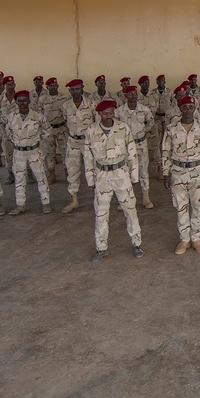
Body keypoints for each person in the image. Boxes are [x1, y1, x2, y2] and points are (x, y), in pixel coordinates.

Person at [83, 100, 143, 261]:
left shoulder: (123, 128)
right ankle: (101, 248)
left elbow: (132, 153)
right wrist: (90, 178)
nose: (108, 116)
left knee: (130, 209)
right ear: (99, 114)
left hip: (121, 174)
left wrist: (134, 175)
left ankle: (136, 244)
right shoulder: (91, 130)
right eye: (105, 114)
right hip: (102, 175)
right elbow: (88, 156)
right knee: (101, 213)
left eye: (111, 113)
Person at [162, 95, 200, 255]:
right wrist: (165, 173)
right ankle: (184, 239)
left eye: (191, 107)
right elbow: (166, 152)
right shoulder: (171, 129)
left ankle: (196, 238)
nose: (188, 110)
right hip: (178, 173)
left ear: (195, 109)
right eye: (184, 107)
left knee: (198, 206)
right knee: (181, 207)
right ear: (180, 108)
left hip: (198, 173)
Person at [6, 90, 51, 215]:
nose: (22, 103)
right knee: (19, 179)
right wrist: (19, 143)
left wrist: (35, 141)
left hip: (34, 151)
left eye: (24, 100)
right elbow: (9, 133)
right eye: (19, 101)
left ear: (29, 101)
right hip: (19, 153)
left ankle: (46, 203)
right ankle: (20, 205)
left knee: (41, 177)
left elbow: (47, 131)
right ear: (16, 102)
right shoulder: (11, 118)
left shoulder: (38, 117)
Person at [115, 86, 156, 209]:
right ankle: (126, 198)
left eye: (134, 94)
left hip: (141, 144)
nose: (133, 96)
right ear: (125, 96)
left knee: (143, 170)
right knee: (125, 171)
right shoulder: (120, 111)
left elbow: (151, 122)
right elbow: (115, 125)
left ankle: (145, 197)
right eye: (130, 94)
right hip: (126, 145)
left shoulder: (144, 110)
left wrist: (143, 131)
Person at [60, 79, 95, 213]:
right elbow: (65, 122)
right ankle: (74, 200)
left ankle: (98, 198)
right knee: (72, 171)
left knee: (92, 170)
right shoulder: (66, 106)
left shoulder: (91, 104)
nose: (75, 92)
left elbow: (96, 123)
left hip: (88, 143)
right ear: (70, 91)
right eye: (72, 89)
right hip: (73, 142)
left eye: (77, 89)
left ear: (82, 88)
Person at [38, 77, 65, 184]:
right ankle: (51, 174)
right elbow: (40, 115)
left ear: (57, 86)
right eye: (50, 86)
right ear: (47, 87)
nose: (53, 87)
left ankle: (67, 173)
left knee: (65, 152)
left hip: (62, 129)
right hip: (49, 130)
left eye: (55, 85)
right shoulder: (42, 99)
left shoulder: (64, 98)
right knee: (50, 154)